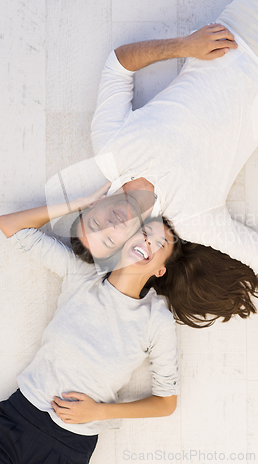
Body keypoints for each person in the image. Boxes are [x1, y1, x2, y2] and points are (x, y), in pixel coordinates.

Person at [67, 0, 258, 380]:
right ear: (125, 245)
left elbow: (118, 65)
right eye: (108, 240)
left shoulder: (110, 147)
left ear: (94, 203)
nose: (108, 226)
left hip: (240, 30)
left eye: (93, 224)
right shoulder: (194, 219)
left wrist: (185, 45)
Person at [0, 196, 181, 463]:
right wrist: (82, 203)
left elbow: (166, 403)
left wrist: (99, 412)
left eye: (159, 243)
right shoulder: (82, 273)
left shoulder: (157, 320)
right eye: (143, 233)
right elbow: (11, 226)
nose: (147, 243)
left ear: (160, 270)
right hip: (17, 416)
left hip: (69, 446)